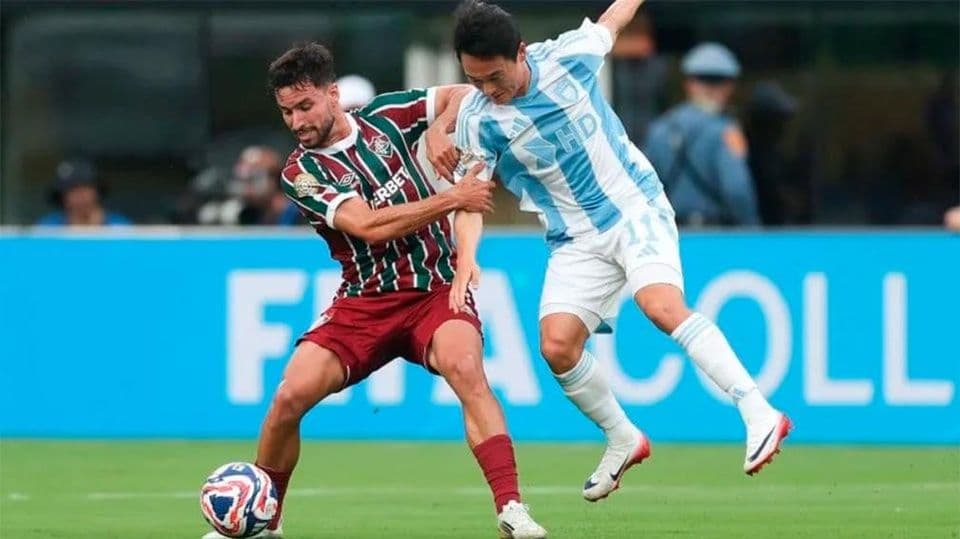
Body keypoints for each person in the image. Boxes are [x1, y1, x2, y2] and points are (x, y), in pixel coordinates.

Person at [424, 0, 791, 504]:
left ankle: (758, 411)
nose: (488, 89)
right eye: (475, 79)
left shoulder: (569, 58)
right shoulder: (480, 118)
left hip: (632, 207)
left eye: (494, 77)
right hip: (575, 239)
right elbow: (470, 199)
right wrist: (466, 259)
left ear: (521, 53)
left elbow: (614, 18)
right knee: (556, 347)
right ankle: (623, 437)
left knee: (659, 305)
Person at [203, 42, 546, 539]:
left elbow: (462, 96)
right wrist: (452, 197)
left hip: (434, 287)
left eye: (305, 106)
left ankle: (512, 510)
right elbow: (367, 227)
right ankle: (265, 523)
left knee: (466, 368)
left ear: (333, 95)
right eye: (286, 112)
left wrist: (433, 131)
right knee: (287, 399)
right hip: (364, 302)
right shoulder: (300, 173)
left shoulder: (388, 115)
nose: (297, 122)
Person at [644, 42, 760, 226]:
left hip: (669, 234)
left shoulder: (660, 128)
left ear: (689, 84)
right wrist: (752, 230)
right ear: (730, 86)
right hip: (713, 238)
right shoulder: (726, 131)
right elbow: (737, 189)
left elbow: (643, 188)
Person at [36, 159, 131, 226]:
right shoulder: (49, 227)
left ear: (96, 191)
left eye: (85, 188)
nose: (80, 195)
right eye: (72, 190)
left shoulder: (119, 226)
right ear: (63, 196)